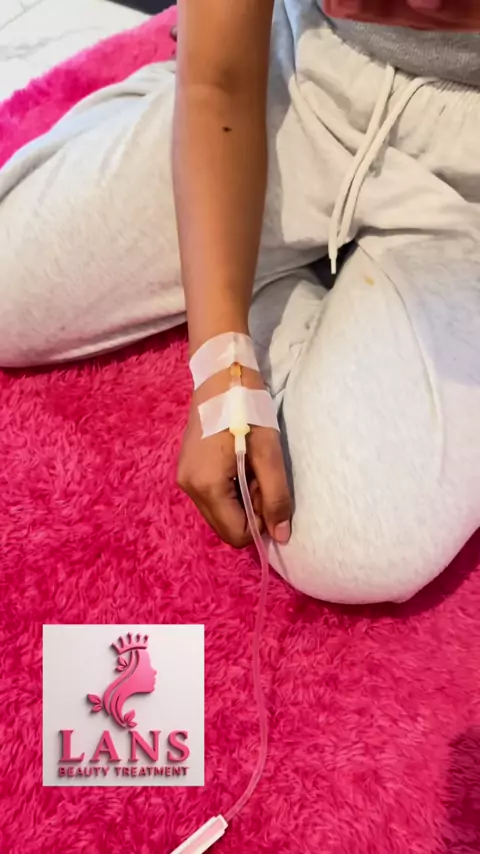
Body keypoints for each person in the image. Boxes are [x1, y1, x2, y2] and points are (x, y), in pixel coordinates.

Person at [1, 1, 479, 604]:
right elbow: (217, 84)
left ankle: (273, 254)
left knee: (346, 541)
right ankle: (187, 112)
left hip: (465, 190)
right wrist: (221, 362)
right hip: (302, 75)